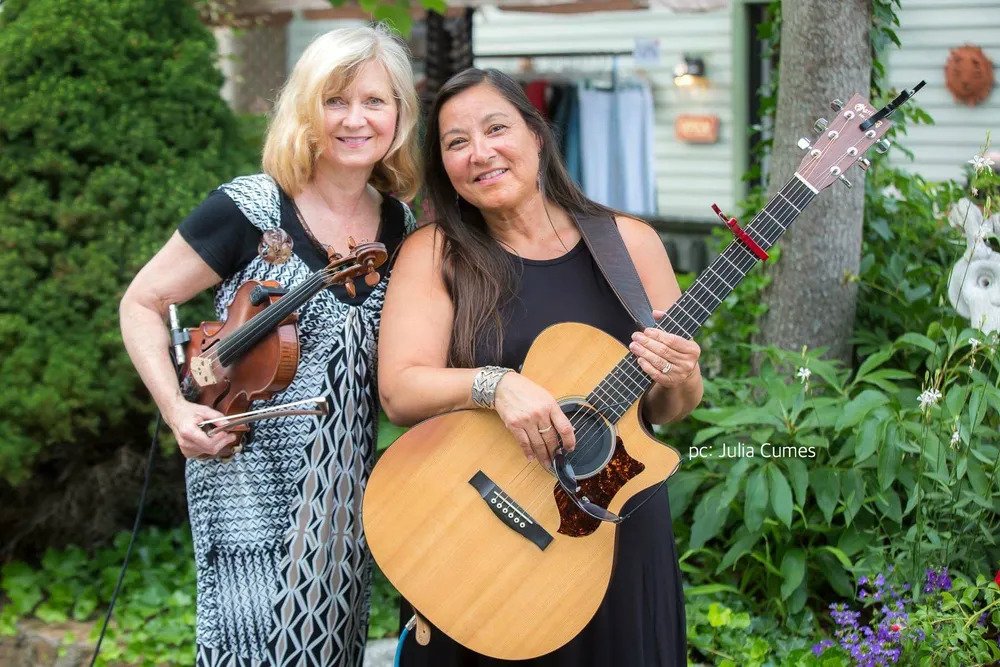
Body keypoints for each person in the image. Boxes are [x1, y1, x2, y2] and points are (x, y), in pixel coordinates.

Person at [377, 67, 703, 666]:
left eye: (496, 128)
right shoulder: (436, 253)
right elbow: (399, 390)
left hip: (615, 533)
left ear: (536, 135)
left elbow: (666, 412)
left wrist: (681, 376)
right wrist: (494, 385)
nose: (480, 153)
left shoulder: (628, 245)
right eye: (456, 143)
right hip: (484, 543)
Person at [119, 25, 419, 666]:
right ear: (306, 111)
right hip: (243, 483)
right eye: (335, 101)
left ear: (400, 114)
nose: (356, 119)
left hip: (342, 495)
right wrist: (176, 409)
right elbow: (143, 302)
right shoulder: (248, 208)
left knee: (331, 648)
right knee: (250, 649)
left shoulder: (401, 226)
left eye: (375, 101)